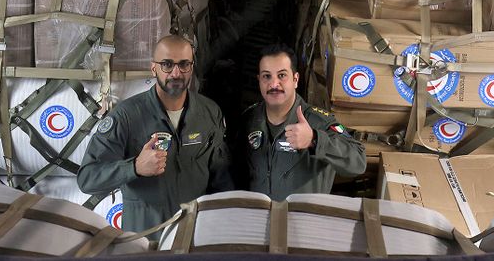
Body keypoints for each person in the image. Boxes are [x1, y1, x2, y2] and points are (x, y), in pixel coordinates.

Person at [77, 35, 232, 236]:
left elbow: (221, 178)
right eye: (167, 64)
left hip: (194, 238)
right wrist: (134, 167)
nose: (176, 73)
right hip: (145, 240)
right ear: (153, 68)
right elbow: (87, 179)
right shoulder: (126, 116)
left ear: (191, 68)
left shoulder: (209, 112)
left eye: (184, 64)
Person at [243, 43, 366, 199]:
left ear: (295, 79)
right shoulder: (249, 119)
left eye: (282, 75)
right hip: (258, 218)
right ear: (259, 80)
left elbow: (358, 162)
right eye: (267, 76)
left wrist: (314, 140)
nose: (274, 84)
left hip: (303, 220)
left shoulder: (319, 121)